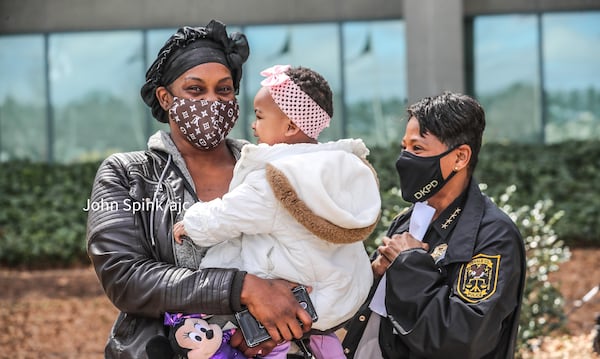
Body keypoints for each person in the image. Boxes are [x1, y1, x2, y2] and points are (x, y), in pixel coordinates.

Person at [86, 20, 313, 359]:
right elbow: (126, 277)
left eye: (223, 90)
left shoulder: (274, 171)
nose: (212, 101)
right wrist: (244, 289)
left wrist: (276, 326)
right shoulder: (126, 175)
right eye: (195, 90)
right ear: (165, 98)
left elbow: (316, 253)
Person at [172, 64, 380, 358]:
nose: (253, 126)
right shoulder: (334, 169)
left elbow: (228, 215)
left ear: (290, 127)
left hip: (294, 302)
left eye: (259, 116)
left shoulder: (277, 180)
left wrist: (191, 222)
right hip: (338, 296)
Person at [342, 91, 526, 359]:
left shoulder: (492, 234)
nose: (405, 159)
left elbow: (464, 339)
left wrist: (408, 263)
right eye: (404, 147)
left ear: (460, 157)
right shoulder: (408, 220)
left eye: (417, 149)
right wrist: (376, 273)